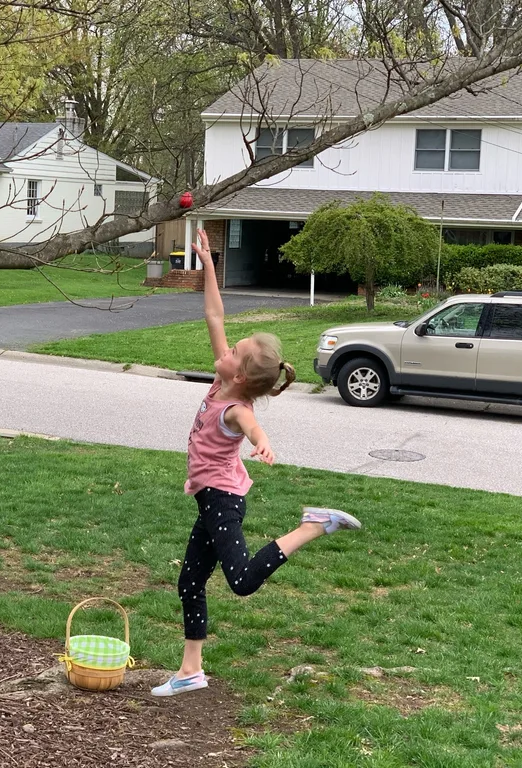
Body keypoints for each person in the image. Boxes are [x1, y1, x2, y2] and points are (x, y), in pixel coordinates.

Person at [151, 228, 363, 698]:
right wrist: (208, 266)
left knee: (242, 581)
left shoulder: (236, 408)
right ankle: (190, 671)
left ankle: (312, 525)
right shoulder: (220, 381)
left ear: (241, 374)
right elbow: (213, 314)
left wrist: (263, 443)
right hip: (211, 500)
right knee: (190, 581)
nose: (226, 348)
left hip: (223, 502)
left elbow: (252, 427)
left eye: (235, 350)